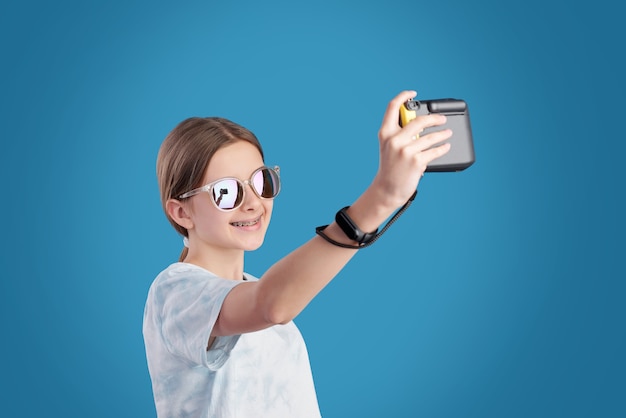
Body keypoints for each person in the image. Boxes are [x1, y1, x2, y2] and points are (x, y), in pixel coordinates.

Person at [143, 90, 452, 417]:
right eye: (226, 191)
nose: (253, 203)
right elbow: (271, 304)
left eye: (261, 181)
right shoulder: (173, 293)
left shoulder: (266, 297)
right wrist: (383, 197)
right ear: (181, 213)